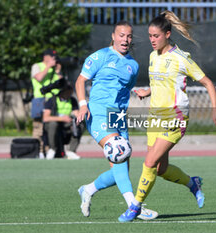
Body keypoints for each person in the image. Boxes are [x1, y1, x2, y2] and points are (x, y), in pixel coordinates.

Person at [118, 11, 216, 222]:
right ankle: (192, 183)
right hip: (155, 117)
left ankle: (135, 207)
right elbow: (162, 83)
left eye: (156, 36)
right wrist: (147, 92)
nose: (152, 40)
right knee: (160, 169)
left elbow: (208, 83)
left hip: (175, 118)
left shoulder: (180, 59)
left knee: (149, 163)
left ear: (167, 34)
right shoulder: (152, 56)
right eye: (149, 36)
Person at [75, 21, 158, 220]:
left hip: (118, 116)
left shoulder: (133, 65)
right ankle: (134, 206)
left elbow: (122, 90)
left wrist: (141, 92)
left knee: (122, 169)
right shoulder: (100, 56)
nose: (125, 40)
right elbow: (80, 80)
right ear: (113, 36)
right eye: (121, 35)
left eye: (129, 36)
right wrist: (82, 104)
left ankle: (88, 189)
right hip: (98, 113)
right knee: (119, 152)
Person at [31, 49, 62, 159]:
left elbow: (61, 84)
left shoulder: (54, 69)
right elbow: (39, 78)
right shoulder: (37, 66)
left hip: (51, 100)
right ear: (45, 57)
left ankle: (49, 150)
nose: (54, 59)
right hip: (40, 99)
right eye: (51, 57)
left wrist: (58, 71)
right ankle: (37, 151)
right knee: (38, 127)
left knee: (49, 127)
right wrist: (48, 67)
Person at [43, 82, 83, 160]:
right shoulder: (52, 100)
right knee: (53, 124)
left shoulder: (72, 100)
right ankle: (52, 149)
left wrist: (78, 118)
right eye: (69, 92)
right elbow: (46, 118)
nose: (70, 94)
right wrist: (62, 118)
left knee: (79, 125)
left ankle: (71, 151)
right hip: (55, 124)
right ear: (63, 91)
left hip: (67, 124)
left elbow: (76, 113)